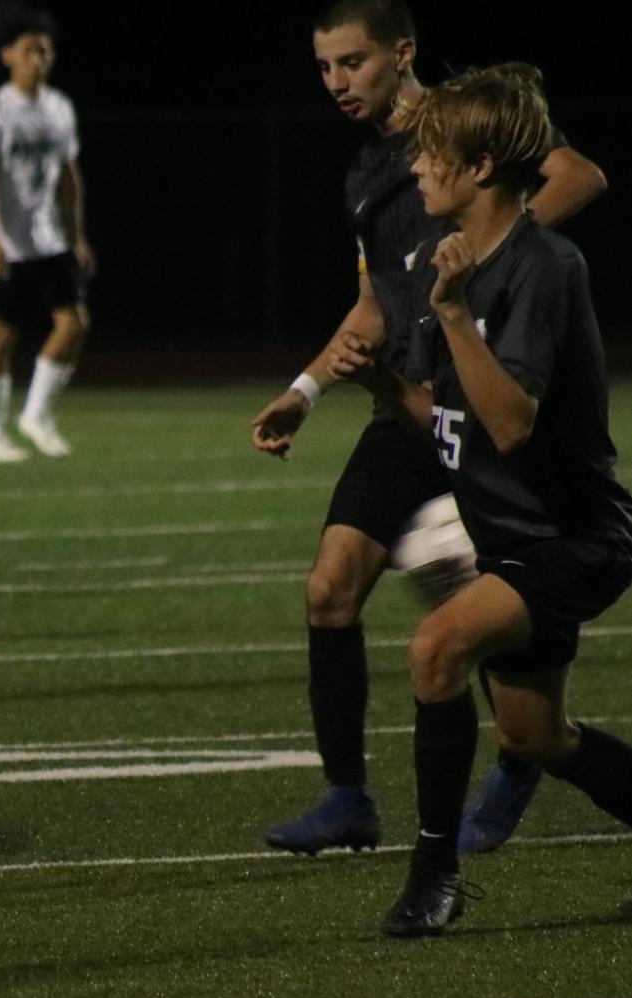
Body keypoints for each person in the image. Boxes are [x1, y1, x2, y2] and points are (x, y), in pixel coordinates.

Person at [251, 0, 606, 856]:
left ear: (401, 53)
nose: (337, 82)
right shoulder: (367, 174)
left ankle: (518, 756)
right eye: (325, 68)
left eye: (353, 62)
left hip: (478, 390)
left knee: (467, 593)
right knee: (330, 586)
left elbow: (580, 175)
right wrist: (304, 388)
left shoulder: (470, 123)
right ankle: (346, 800)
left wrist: (490, 262)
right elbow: (375, 305)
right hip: (406, 395)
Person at [329, 63, 632, 935]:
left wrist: (455, 316)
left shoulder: (544, 266)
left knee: (434, 649)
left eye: (431, 156)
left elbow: (509, 426)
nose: (415, 171)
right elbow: (450, 419)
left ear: (483, 168)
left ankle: (434, 877)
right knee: (538, 739)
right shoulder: (438, 262)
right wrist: (386, 387)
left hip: (572, 536)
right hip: (508, 538)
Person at [0, 8, 94, 463]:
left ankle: (36, 416)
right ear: (8, 56)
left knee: (73, 323)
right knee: (1, 334)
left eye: (45, 49)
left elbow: (67, 176)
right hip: (8, 243)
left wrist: (76, 236)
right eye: (29, 50)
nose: (39, 58)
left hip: (49, 238)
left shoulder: (59, 108)